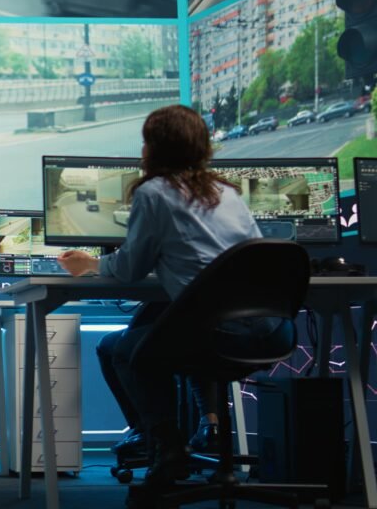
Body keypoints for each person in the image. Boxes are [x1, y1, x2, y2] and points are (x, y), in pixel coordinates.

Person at [57, 104, 284, 489]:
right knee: (146, 337)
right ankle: (176, 442)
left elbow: (128, 269)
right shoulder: (227, 193)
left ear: (155, 148)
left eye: (146, 142)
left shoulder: (154, 192)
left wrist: (90, 265)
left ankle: (166, 446)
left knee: (124, 349)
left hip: (215, 331)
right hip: (270, 331)